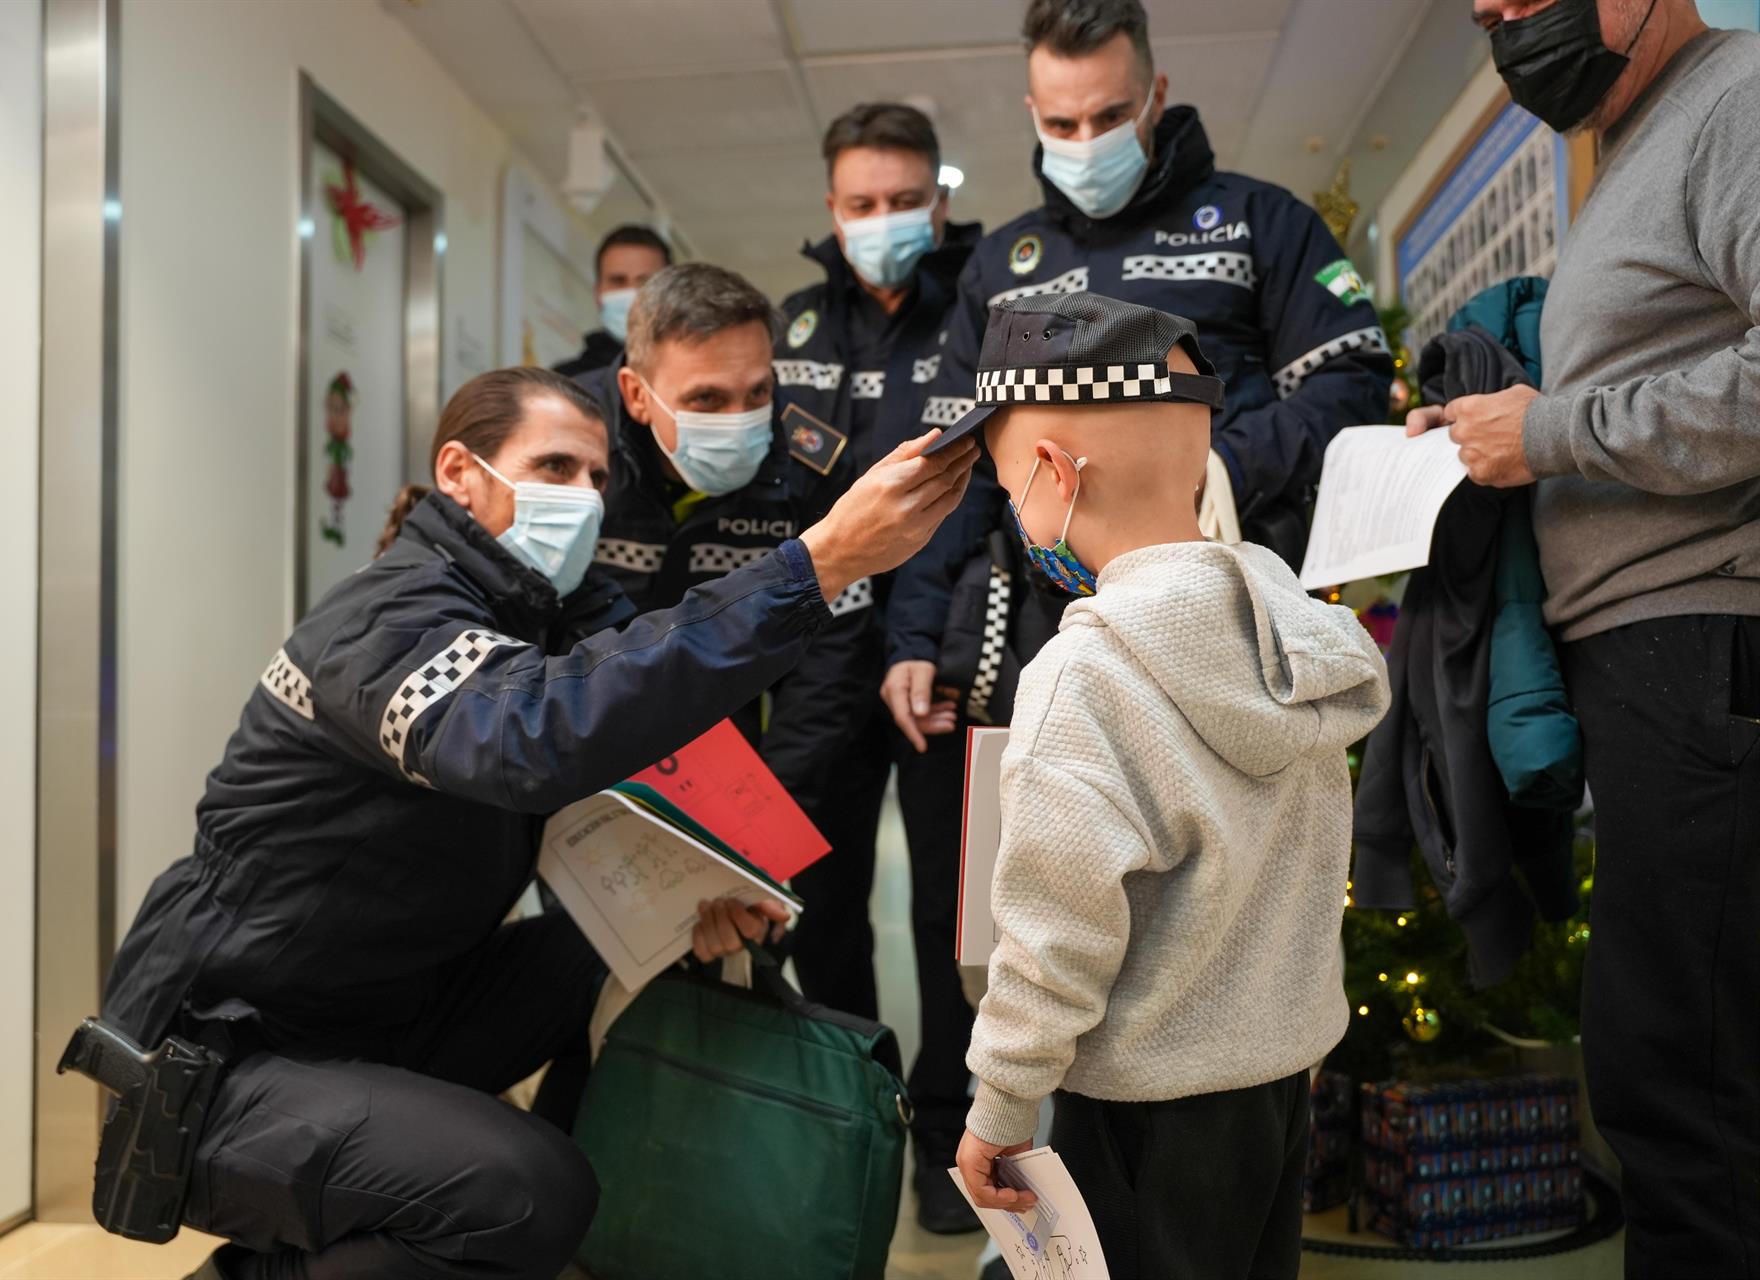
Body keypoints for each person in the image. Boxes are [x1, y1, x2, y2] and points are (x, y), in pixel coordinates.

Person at [96, 365, 976, 1280]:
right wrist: (818, 562)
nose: (583, 499)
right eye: (553, 467)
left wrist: (708, 898)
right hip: (217, 1055)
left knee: (632, 951)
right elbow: (531, 736)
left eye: (597, 478)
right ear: (460, 472)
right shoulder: (388, 615)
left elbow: (627, 700)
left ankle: (464, 1222)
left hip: (381, 1013)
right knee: (525, 1194)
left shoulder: (534, 617)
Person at [1410, 2, 1760, 1270]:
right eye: (1488, 13)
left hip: (1704, 642)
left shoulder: (1736, 101)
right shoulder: (1639, 137)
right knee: (1676, 1077)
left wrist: (1551, 435)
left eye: (1528, 1)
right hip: (1652, 660)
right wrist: (1484, 433)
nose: (1511, 29)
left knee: (1687, 1093)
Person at [942, 294, 1387, 1276]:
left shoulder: (1083, 676)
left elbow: (1057, 935)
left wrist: (1001, 1105)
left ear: (1054, 474)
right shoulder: (1290, 629)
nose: (1020, 512)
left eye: (1013, 484)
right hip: (1278, 1085)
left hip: (1146, 1102)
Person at [884, 0, 1392, 756]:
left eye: (1110, 116)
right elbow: (954, 458)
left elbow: (1350, 378)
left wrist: (1211, 471)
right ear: (1033, 113)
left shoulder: (1260, 221)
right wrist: (915, 632)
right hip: (1048, 619)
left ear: (1156, 93)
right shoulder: (999, 265)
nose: (1086, 142)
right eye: (1061, 125)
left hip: (1236, 593)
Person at [766, 100, 986, 1234]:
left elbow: (995, 493)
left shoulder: (986, 308)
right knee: (823, 903)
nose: (885, 221)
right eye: (863, 204)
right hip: (821, 666)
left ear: (938, 201)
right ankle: (864, 1111)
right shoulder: (796, 327)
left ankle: (949, 1144)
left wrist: (930, 636)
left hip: (947, 656)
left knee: (954, 912)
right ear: (832, 209)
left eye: (906, 201)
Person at [576, 262, 873, 845]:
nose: (739, 421)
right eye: (706, 399)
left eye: (757, 391)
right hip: (585, 739)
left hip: (740, 742)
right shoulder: (567, 449)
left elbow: (831, 660)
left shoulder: (814, 468)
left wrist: (765, 818)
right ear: (637, 394)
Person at [553, 224, 671, 379]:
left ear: (670, 293)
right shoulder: (564, 383)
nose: (632, 293)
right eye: (618, 281)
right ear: (598, 293)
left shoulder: (693, 374)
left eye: (644, 282)